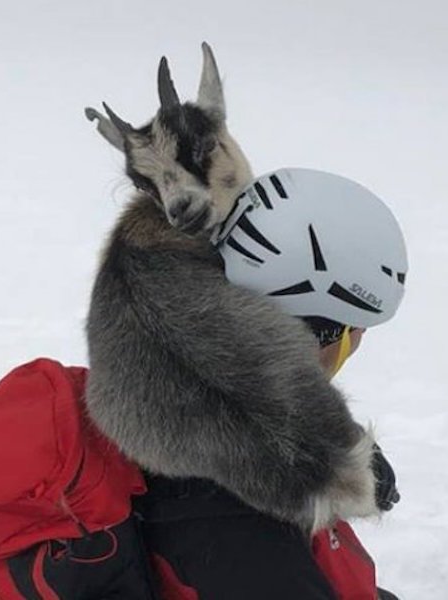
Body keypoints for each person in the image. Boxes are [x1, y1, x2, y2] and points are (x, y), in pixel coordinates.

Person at [134, 168, 408, 600]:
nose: (356, 344)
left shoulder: (158, 381)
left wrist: (336, 449)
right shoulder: (239, 530)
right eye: (354, 330)